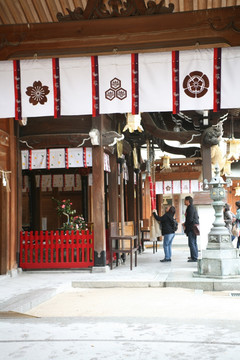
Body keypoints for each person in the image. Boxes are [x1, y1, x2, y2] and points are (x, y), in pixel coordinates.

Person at [182, 196, 199, 262]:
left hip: (192, 228)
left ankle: (194, 257)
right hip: (193, 227)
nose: (184, 202)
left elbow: (190, 219)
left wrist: (185, 224)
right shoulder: (192, 207)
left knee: (192, 243)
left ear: (188, 201)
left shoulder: (190, 208)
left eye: (185, 200)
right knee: (193, 242)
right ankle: (194, 255)